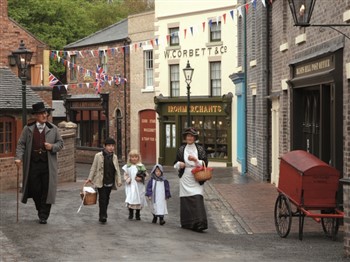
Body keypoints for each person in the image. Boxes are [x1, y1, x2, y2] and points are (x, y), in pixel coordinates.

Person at [15, 102, 64, 224]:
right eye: (41, 113)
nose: (44, 115)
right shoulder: (28, 129)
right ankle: (40, 209)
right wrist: (18, 157)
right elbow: (21, 144)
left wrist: (52, 146)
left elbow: (60, 144)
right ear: (36, 115)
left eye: (45, 113)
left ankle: (44, 215)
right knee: (36, 189)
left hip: (48, 165)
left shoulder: (53, 129)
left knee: (47, 190)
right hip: (33, 165)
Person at [174, 127, 209, 232]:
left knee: (197, 197)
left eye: (192, 136)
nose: (189, 138)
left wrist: (195, 160)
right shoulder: (181, 149)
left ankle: (200, 223)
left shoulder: (200, 149)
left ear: (194, 138)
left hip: (197, 176)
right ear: (185, 137)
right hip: (185, 177)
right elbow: (175, 163)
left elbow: (205, 163)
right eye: (188, 136)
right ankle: (188, 223)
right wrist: (180, 164)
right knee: (186, 200)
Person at [86, 137, 122, 223]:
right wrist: (90, 178)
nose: (111, 147)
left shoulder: (115, 157)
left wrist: (119, 180)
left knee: (107, 198)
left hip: (110, 180)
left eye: (113, 146)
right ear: (104, 146)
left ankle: (104, 212)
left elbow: (117, 169)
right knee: (102, 198)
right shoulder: (98, 156)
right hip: (100, 180)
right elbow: (93, 167)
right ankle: (103, 215)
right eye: (109, 145)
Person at [122, 149, 148, 220]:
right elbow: (125, 175)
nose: (134, 158)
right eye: (132, 157)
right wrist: (127, 179)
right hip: (131, 185)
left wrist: (141, 178)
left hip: (139, 185)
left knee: (139, 198)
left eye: (135, 157)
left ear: (138, 157)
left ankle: (138, 213)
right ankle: (131, 213)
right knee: (131, 198)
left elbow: (145, 175)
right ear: (130, 158)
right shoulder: (128, 166)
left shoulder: (141, 166)